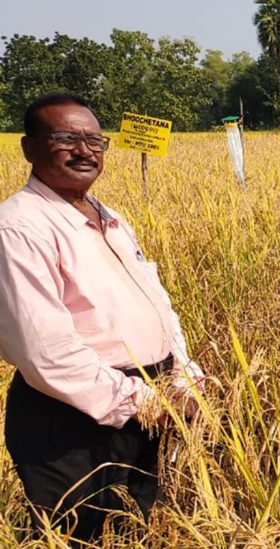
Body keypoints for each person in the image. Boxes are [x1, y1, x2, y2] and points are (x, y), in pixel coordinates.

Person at [0, 94, 204, 541]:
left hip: (143, 406)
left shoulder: (110, 216)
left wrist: (183, 377)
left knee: (140, 527)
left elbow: (157, 304)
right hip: (72, 418)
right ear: (28, 147)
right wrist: (150, 404)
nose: (85, 150)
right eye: (66, 138)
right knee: (85, 532)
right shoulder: (19, 227)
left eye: (95, 140)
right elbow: (45, 354)